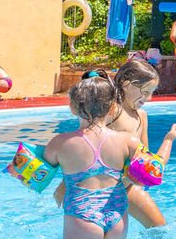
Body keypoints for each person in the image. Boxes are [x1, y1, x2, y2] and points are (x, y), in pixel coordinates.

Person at [41, 75, 176, 239]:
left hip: (82, 215)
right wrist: (169, 139)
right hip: (117, 214)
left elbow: (34, 176)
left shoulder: (60, 142)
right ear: (113, 108)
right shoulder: (127, 141)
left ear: (72, 107)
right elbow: (155, 169)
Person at [53, 65, 169, 229]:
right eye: (144, 91)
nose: (148, 97)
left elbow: (145, 155)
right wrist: (66, 183)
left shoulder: (141, 116)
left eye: (151, 92)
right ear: (127, 85)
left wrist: (168, 141)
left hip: (126, 185)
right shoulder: (112, 111)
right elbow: (85, 143)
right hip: (102, 187)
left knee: (159, 228)